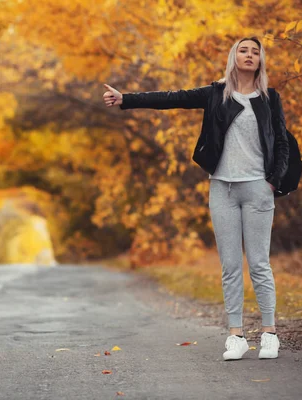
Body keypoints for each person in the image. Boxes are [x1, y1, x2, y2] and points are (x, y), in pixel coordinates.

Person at [102, 37, 289, 361]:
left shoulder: (269, 98)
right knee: (230, 266)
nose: (249, 55)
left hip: (258, 188)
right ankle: (236, 336)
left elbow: (283, 142)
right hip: (222, 189)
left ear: (261, 61)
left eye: (255, 52)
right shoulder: (217, 93)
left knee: (259, 264)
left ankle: (269, 333)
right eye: (243, 50)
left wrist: (272, 182)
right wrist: (126, 99)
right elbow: (172, 98)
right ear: (233, 57)